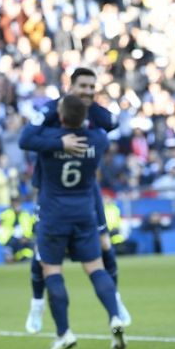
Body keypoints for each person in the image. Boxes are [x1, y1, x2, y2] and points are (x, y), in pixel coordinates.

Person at [23, 67, 131, 334]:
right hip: (50, 188)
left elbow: (113, 124)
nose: (89, 92)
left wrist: (90, 112)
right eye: (83, 86)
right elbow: (26, 139)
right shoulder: (49, 110)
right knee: (42, 254)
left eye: (92, 87)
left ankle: (114, 302)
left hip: (86, 189)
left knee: (105, 245)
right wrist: (60, 143)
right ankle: (37, 304)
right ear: (70, 86)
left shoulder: (94, 110)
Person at [0, 197, 36, 263]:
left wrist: (26, 237)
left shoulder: (25, 214)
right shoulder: (7, 213)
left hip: (25, 239)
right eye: (15, 204)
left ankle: (20, 258)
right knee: (9, 254)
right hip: (10, 238)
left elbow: (30, 226)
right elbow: (0, 220)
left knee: (31, 249)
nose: (16, 206)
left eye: (18, 204)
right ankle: (11, 257)